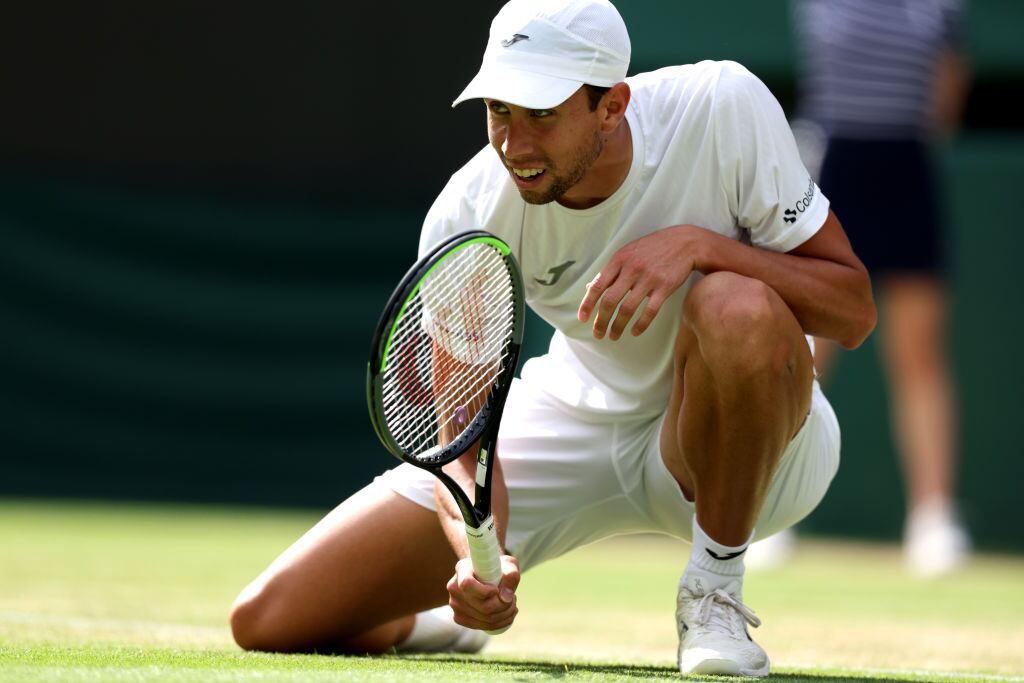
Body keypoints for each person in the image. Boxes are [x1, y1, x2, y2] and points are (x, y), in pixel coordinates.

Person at [228, 0, 875, 676]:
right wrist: (479, 559)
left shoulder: (722, 106)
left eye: (541, 113)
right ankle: (431, 626)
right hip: (572, 419)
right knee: (271, 618)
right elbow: (462, 432)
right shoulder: (469, 210)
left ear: (612, 106)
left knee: (733, 302)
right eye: (499, 111)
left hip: (762, 454)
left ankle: (714, 593)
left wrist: (700, 246)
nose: (515, 144)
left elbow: (853, 311)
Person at [749, 0, 970, 577]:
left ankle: (933, 517)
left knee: (919, 351)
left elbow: (947, 92)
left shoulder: (943, 6)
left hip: (907, 167)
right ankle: (771, 510)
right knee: (807, 350)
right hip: (835, 162)